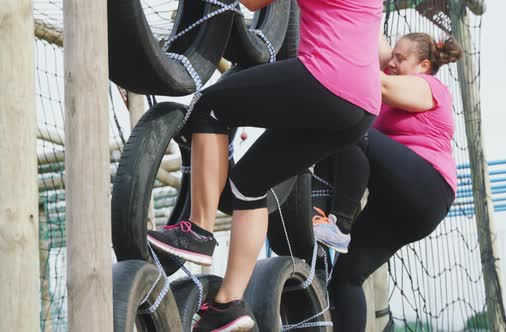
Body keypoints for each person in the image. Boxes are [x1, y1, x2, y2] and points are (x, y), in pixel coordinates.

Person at [146, 0, 383, 330]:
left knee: (210, 109)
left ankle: (198, 229)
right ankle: (229, 303)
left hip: (326, 81)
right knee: (249, 183)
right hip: (362, 108)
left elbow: (253, 2)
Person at [316, 32, 463, 331]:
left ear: (423, 65)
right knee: (345, 279)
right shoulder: (395, 79)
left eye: (401, 58)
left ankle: (340, 224)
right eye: (393, 56)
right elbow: (369, 32)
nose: (392, 62)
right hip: (397, 204)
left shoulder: (427, 87)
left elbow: (378, 81)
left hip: (427, 186)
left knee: (353, 130)